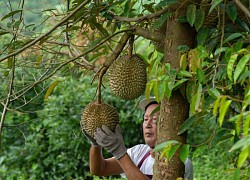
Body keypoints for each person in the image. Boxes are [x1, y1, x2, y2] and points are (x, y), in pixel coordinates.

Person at [81, 97, 193, 179]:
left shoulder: (180, 162)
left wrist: (120, 152)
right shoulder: (139, 152)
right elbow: (100, 169)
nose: (148, 124)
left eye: (155, 120)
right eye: (145, 119)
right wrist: (95, 144)